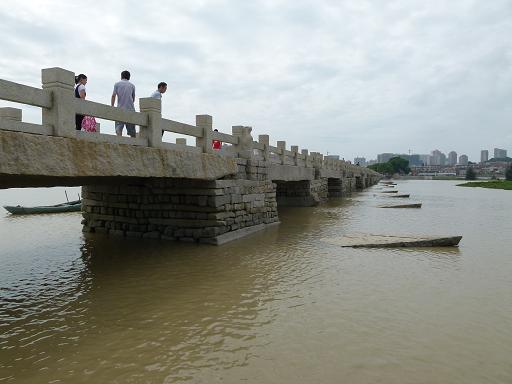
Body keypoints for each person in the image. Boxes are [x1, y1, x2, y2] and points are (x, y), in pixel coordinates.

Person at [111, 70, 136, 137]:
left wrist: (112, 106)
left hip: (120, 108)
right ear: (129, 77)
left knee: (119, 127)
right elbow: (133, 98)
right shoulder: (132, 86)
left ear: (121, 76)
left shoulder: (117, 84)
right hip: (130, 109)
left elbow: (113, 95)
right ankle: (133, 143)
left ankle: (119, 138)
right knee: (132, 130)